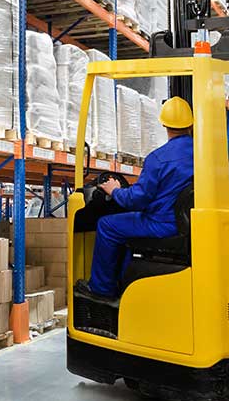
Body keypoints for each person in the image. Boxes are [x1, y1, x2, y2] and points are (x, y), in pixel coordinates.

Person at [76, 96, 195, 300]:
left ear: (164, 124)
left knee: (107, 225)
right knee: (125, 227)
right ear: (191, 124)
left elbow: (137, 200)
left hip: (161, 224)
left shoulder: (158, 158)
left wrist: (114, 191)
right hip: (189, 224)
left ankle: (101, 289)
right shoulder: (204, 154)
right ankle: (124, 280)